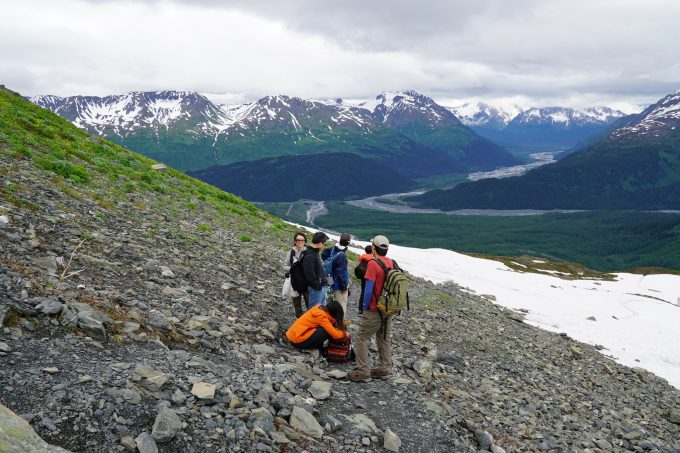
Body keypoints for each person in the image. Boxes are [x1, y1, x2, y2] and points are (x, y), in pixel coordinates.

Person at [349, 235, 395, 382]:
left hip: (374, 309)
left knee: (361, 338)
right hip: (388, 309)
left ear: (374, 248)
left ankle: (363, 372)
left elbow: (368, 289)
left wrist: (365, 308)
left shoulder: (373, 264)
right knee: (384, 338)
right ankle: (384, 369)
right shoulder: (391, 263)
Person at [321, 233, 351, 316]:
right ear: (348, 243)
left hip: (330, 282)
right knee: (340, 308)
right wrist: (344, 287)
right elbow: (342, 273)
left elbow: (323, 254)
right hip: (338, 286)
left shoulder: (331, 250)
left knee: (329, 307)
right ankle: (339, 327)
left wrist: (330, 263)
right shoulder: (342, 255)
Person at [283, 232, 309, 318]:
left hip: (306, 282)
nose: (300, 242)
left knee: (309, 303)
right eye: (298, 240)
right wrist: (293, 268)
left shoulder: (308, 253)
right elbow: (284, 266)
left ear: (305, 241)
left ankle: (310, 322)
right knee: (297, 305)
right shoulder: (291, 252)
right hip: (294, 282)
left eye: (302, 240)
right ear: (295, 241)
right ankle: (300, 322)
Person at [301, 231, 329, 308]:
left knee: (321, 311)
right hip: (316, 289)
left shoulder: (314, 252)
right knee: (313, 311)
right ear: (320, 243)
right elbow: (309, 275)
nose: (324, 246)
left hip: (320, 287)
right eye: (324, 244)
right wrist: (318, 286)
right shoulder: (310, 255)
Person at [356, 244, 373, 315]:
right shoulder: (372, 258)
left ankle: (360, 309)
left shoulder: (362, 257)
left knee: (363, 292)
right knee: (369, 292)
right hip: (369, 277)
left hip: (362, 276)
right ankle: (366, 308)